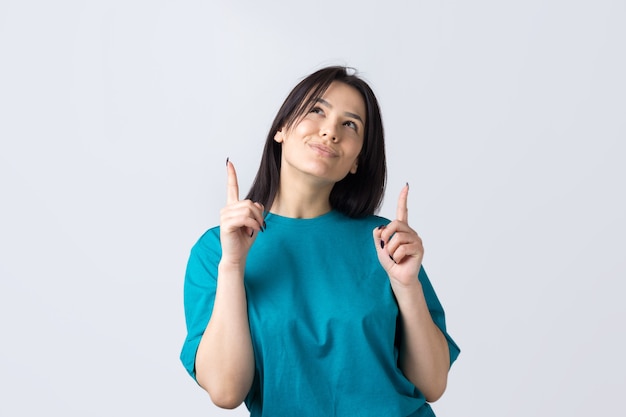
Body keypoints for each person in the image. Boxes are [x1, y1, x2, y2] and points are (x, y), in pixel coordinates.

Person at [180, 66, 460, 416]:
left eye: (350, 125)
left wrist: (407, 287)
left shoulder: (387, 244)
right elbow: (225, 391)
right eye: (317, 110)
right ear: (281, 129)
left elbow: (432, 384)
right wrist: (233, 266)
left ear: (357, 161)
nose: (330, 131)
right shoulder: (218, 251)